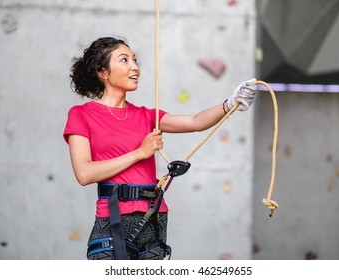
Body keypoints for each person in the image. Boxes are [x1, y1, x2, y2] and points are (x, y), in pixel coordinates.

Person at [63, 37, 257, 260]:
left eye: (134, 60)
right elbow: (85, 174)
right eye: (124, 60)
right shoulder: (81, 114)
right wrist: (140, 153)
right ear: (103, 72)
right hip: (112, 218)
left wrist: (229, 104)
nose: (135, 67)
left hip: (152, 217)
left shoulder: (146, 115)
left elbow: (195, 122)